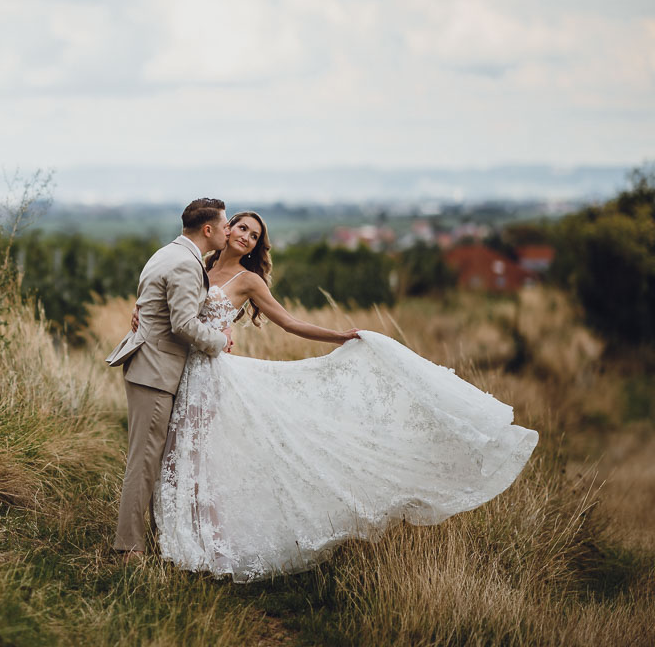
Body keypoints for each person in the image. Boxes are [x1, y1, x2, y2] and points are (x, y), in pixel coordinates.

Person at [130, 211, 539, 581]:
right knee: (173, 453)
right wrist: (141, 308)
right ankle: (173, 536)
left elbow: (289, 322)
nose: (246, 238)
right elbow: (173, 303)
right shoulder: (198, 265)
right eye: (242, 228)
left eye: (254, 236)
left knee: (201, 457)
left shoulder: (250, 281)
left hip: (210, 378)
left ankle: (208, 549)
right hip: (177, 370)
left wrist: (338, 335)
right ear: (225, 228)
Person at [105, 198, 234, 562]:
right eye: (225, 225)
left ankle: (154, 537)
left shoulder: (167, 253)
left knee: (151, 459)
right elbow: (183, 324)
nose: (228, 230)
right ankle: (129, 548)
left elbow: (152, 305)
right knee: (144, 461)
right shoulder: (184, 264)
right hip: (155, 370)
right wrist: (221, 340)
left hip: (151, 365)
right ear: (207, 230)